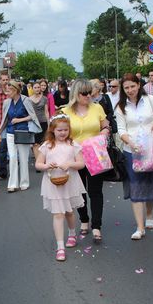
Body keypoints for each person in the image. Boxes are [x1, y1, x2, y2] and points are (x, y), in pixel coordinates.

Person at [116, 73, 153, 240]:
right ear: (123, 90)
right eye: (127, 88)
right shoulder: (121, 107)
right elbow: (121, 130)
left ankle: (150, 213)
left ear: (139, 85)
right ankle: (140, 227)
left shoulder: (151, 100)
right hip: (132, 151)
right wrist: (130, 143)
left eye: (133, 86)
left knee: (151, 183)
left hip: (151, 149)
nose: (130, 90)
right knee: (136, 186)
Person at [62, 79, 111, 243]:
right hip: (75, 156)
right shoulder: (65, 111)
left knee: (95, 191)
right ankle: (84, 220)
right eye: (85, 93)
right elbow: (58, 132)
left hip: (95, 154)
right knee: (79, 191)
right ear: (76, 94)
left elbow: (106, 125)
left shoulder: (97, 108)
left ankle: (97, 225)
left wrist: (105, 131)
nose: (88, 96)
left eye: (90, 92)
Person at [35, 115, 87, 261]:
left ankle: (72, 234)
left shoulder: (73, 145)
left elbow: (81, 164)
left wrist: (70, 164)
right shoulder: (47, 146)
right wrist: (46, 166)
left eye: (65, 130)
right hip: (53, 183)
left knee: (69, 212)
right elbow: (38, 164)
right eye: (59, 130)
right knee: (58, 214)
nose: (63, 133)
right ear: (53, 130)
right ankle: (60, 247)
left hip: (70, 182)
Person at [0, 80, 42, 192]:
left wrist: (19, 120)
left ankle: (24, 182)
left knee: (23, 158)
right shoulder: (7, 102)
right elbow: (5, 119)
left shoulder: (26, 100)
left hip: (23, 132)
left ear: (15, 90)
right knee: (12, 157)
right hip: (10, 132)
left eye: (9, 90)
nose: (7, 92)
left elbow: (32, 116)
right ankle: (12, 184)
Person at [29, 81, 50, 162]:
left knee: (43, 143)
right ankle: (38, 162)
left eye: (38, 87)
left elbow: (46, 112)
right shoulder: (29, 99)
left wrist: (48, 124)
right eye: (35, 87)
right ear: (32, 89)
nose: (37, 89)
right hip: (34, 123)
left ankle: (43, 160)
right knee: (35, 143)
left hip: (43, 122)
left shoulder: (44, 98)